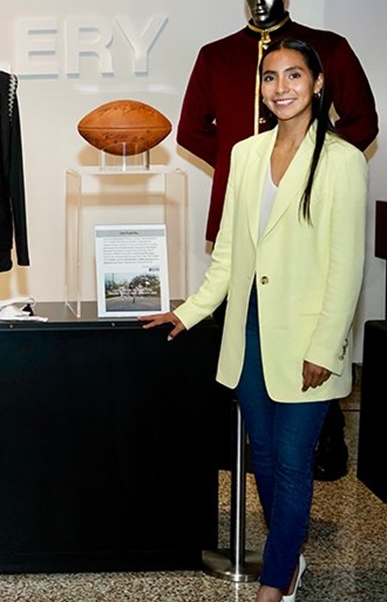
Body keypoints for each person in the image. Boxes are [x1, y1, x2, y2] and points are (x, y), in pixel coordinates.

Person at [143, 38, 367, 602]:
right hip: (248, 330)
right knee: (261, 456)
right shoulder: (244, 153)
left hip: (306, 338)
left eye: (295, 76)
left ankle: (274, 581)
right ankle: (289, 556)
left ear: (318, 84)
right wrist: (190, 311)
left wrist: (325, 346)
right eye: (271, 77)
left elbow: (346, 267)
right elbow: (230, 257)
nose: (282, 87)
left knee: (292, 461)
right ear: (260, 89)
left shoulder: (341, 160)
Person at [177, 0, 378, 481]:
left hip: (310, 220)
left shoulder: (325, 47)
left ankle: (318, 440)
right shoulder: (217, 56)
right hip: (242, 210)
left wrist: (315, 172)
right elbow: (190, 130)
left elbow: (363, 119)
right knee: (247, 347)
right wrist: (233, 160)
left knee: (300, 361)